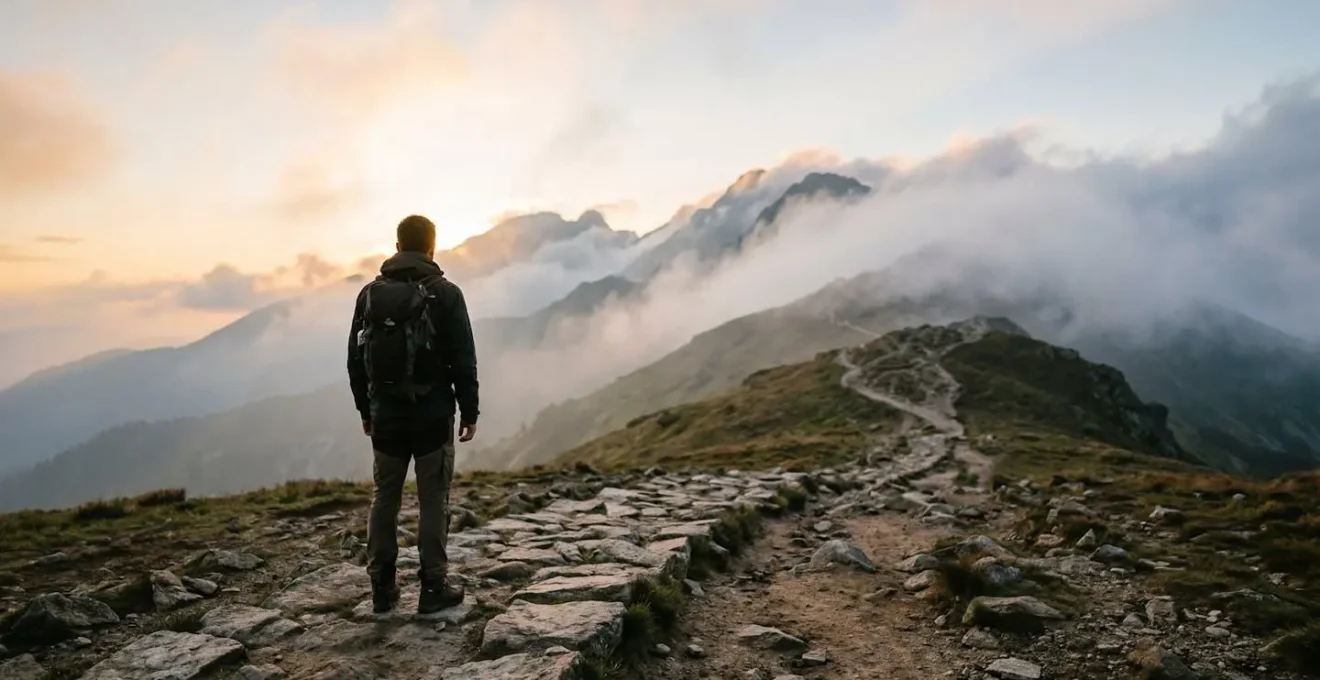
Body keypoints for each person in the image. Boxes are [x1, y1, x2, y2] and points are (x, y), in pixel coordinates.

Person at [347, 214, 479, 614]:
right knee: (433, 500)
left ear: (399, 246)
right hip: (433, 416)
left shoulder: (369, 294)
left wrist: (365, 409)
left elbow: (355, 359)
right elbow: (463, 359)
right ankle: (433, 587)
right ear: (433, 247)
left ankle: (382, 589)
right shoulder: (447, 294)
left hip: (385, 415)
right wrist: (469, 410)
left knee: (384, 497)